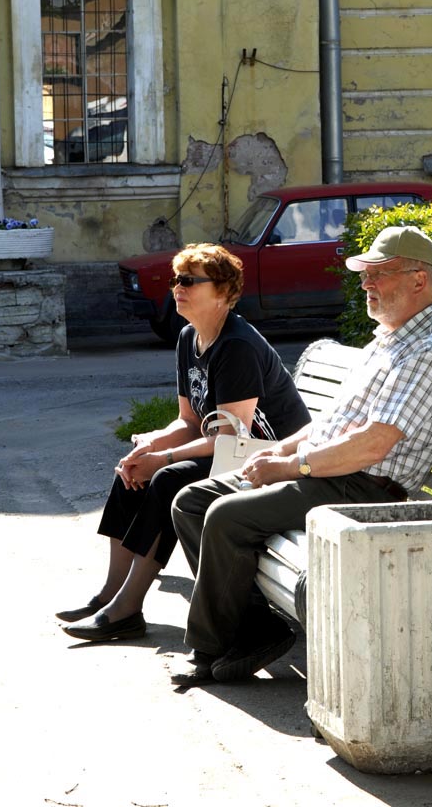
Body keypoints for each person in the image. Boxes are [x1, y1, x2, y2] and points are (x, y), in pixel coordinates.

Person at [170, 225, 432, 686]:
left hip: (365, 488)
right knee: (191, 502)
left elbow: (373, 444)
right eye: (365, 274)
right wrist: (278, 450)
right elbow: (330, 424)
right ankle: (256, 629)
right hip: (331, 471)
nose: (367, 283)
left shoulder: (429, 350)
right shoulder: (390, 340)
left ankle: (208, 649)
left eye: (380, 274)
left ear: (418, 280)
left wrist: (289, 466)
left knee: (226, 516)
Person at [57, 242, 311, 642]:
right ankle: (111, 594)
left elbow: (230, 437)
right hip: (231, 452)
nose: (178, 286)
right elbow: (189, 421)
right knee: (131, 471)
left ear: (224, 292)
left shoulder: (237, 345)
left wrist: (164, 457)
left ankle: (128, 607)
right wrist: (146, 449)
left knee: (168, 478)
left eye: (190, 281)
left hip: (266, 458)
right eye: (177, 279)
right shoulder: (188, 338)